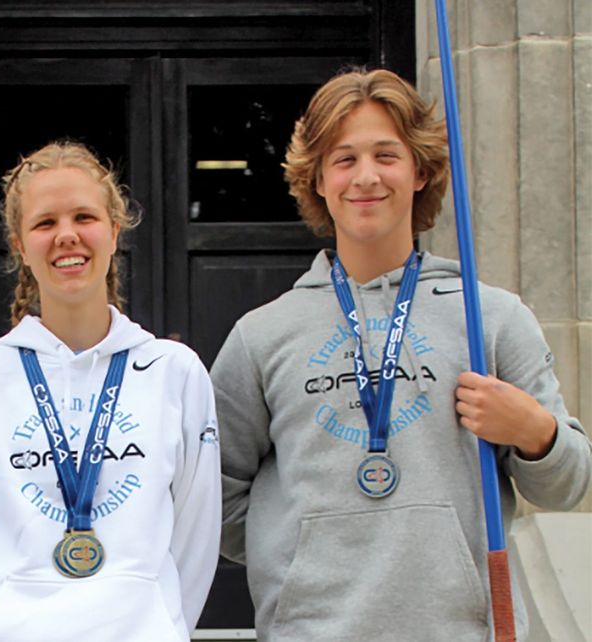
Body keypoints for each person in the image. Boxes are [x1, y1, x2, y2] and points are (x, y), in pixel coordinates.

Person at [212, 68, 591, 641]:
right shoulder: (260, 335)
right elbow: (214, 495)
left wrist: (534, 432)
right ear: (316, 179)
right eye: (344, 159)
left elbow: (569, 486)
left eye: (386, 155)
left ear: (421, 170)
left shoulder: (490, 317)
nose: (366, 177)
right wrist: (293, 552)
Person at [0, 141, 221, 642]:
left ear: (113, 230)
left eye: (84, 217)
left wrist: (163, 625)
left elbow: (196, 534)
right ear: (20, 245)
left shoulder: (176, 374)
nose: (66, 236)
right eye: (45, 223)